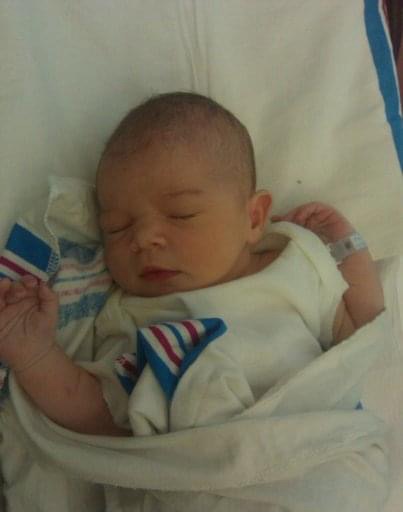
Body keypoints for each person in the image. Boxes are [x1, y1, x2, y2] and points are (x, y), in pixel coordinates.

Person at [0, 92, 385, 437]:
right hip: (192, 477)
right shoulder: (128, 314)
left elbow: (363, 333)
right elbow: (98, 412)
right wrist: (34, 353)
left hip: (308, 445)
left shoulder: (292, 265)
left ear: (253, 219)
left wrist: (346, 246)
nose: (143, 239)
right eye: (117, 227)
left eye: (181, 214)